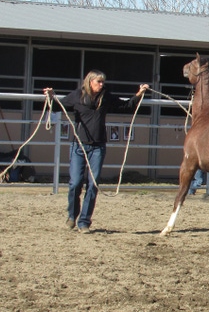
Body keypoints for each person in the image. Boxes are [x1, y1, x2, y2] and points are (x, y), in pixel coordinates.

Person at [44, 71, 149, 233]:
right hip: (79, 146)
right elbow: (58, 106)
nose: (101, 85)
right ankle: (72, 215)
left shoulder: (106, 96)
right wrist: (51, 97)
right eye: (98, 82)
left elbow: (125, 105)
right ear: (90, 81)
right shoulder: (77, 96)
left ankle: (84, 221)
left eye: (102, 82)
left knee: (93, 185)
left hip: (98, 146)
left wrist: (139, 94)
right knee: (75, 183)